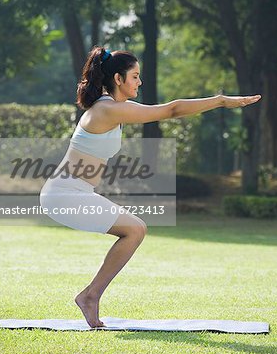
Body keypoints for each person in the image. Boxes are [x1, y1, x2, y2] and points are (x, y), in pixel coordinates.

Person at [39, 45, 261, 328]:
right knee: (135, 229)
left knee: (135, 229)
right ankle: (90, 296)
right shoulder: (107, 109)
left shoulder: (114, 108)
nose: (139, 82)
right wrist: (219, 101)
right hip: (63, 195)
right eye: (134, 76)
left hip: (75, 193)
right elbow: (172, 110)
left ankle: (90, 295)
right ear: (118, 79)